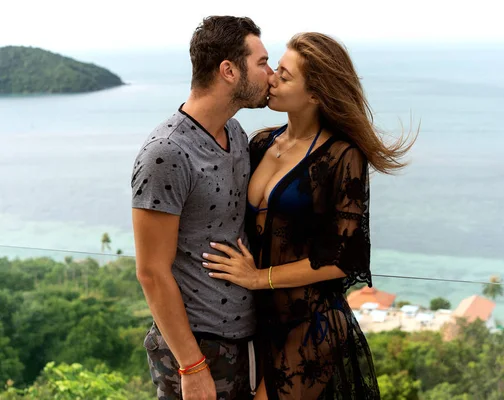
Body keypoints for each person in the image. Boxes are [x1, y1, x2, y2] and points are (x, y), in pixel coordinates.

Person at [202, 32, 416, 399]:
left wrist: (258, 278)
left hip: (310, 327)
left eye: (284, 76)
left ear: (315, 94)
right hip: (254, 324)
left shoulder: (343, 157)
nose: (271, 78)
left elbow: (342, 260)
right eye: (275, 69)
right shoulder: (260, 142)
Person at [131, 16, 273, 400]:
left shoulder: (235, 133)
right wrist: (191, 367)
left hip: (245, 339)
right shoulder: (167, 153)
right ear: (229, 70)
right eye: (262, 63)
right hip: (196, 348)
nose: (271, 74)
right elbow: (151, 271)